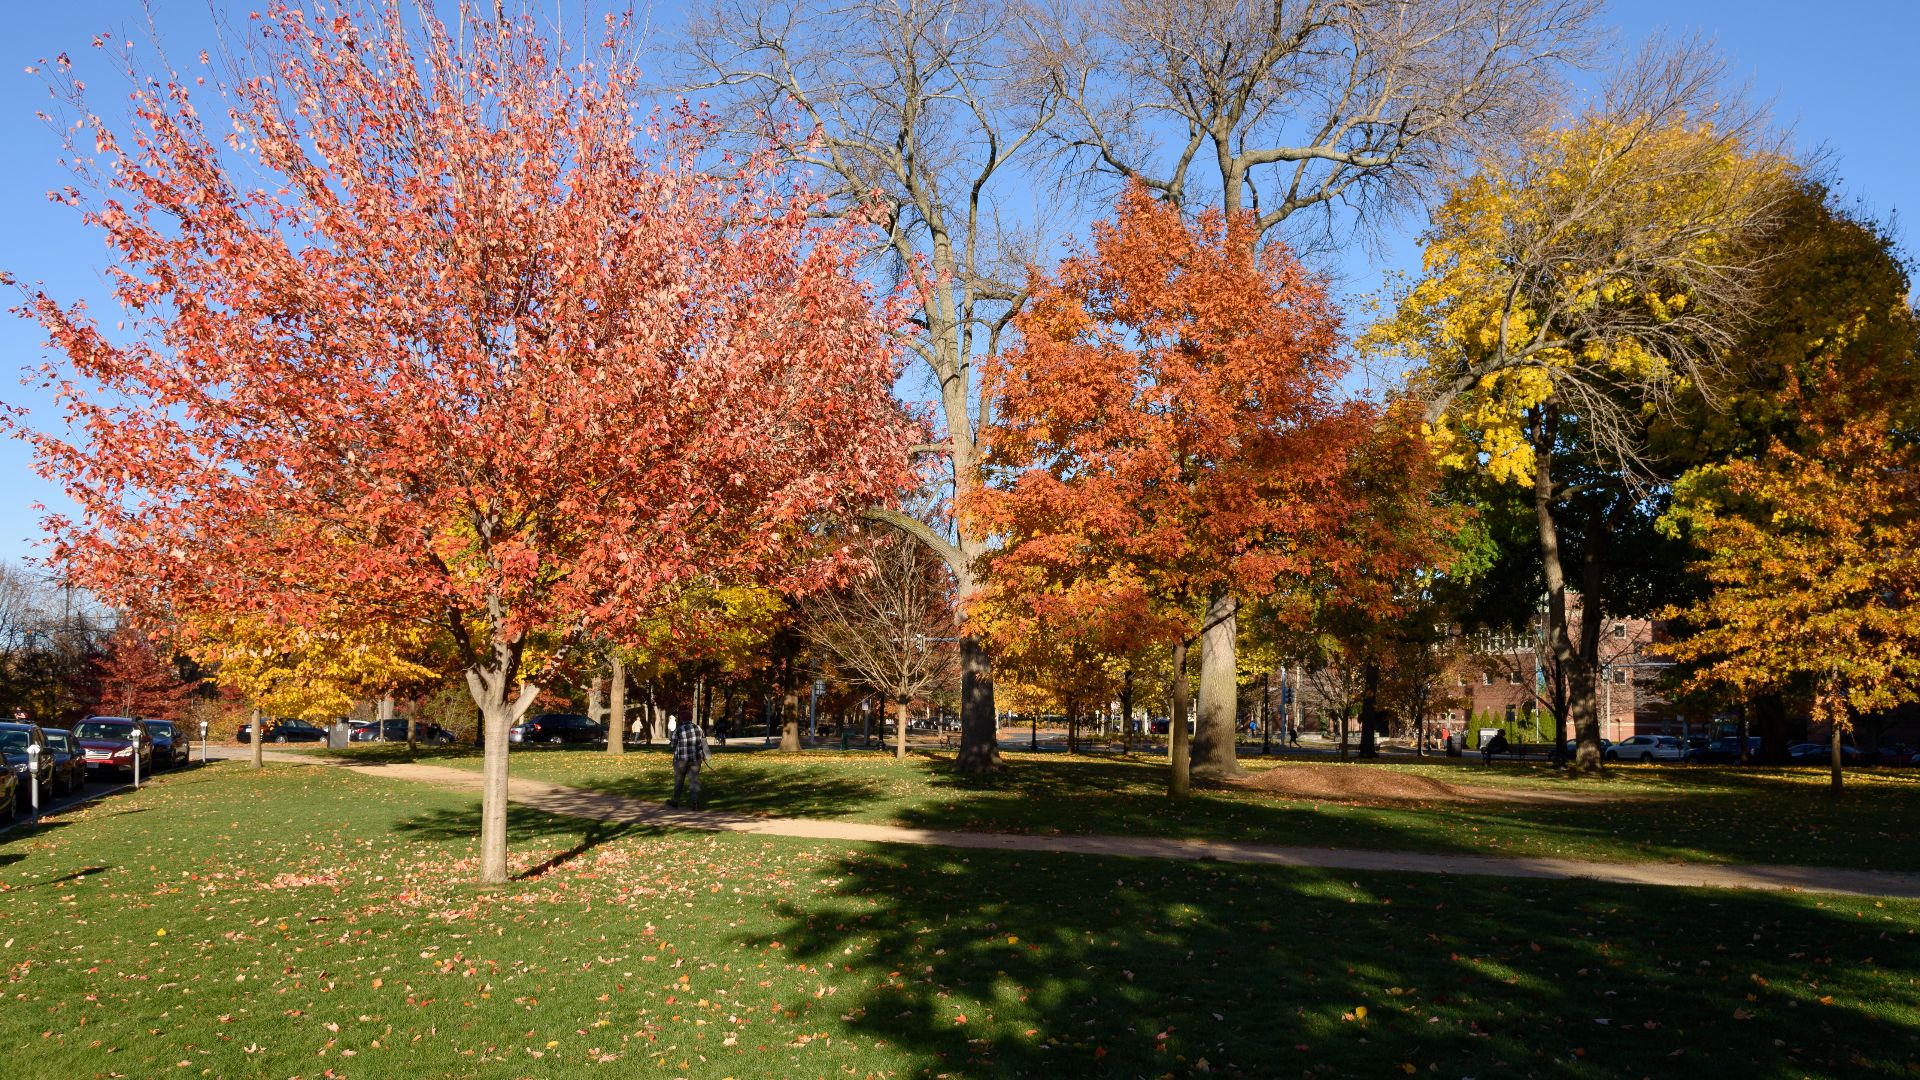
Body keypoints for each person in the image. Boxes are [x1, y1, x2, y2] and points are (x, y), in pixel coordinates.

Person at [668, 711, 710, 809]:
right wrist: (707, 756)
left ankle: (674, 801)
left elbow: (673, 745)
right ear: (691, 718)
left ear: (682, 719)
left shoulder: (678, 729)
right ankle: (695, 803)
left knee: (679, 782)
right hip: (696, 760)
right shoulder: (698, 728)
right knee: (694, 781)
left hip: (681, 761)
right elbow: (704, 744)